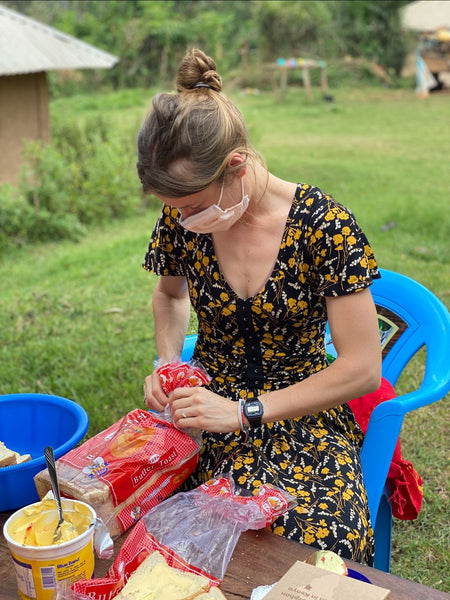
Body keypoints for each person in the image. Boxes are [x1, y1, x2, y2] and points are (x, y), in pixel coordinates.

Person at [138, 48, 381, 565]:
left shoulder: (324, 227)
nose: (185, 222)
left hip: (302, 412)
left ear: (236, 166)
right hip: (203, 407)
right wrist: (168, 363)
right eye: (175, 211)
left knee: (317, 542)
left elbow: (362, 368)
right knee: (141, 518)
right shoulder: (182, 217)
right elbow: (169, 294)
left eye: (194, 208)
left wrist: (243, 412)